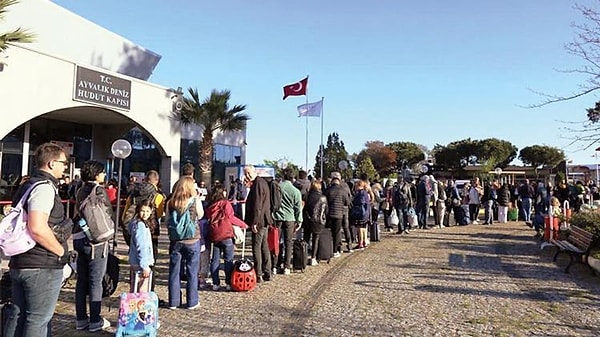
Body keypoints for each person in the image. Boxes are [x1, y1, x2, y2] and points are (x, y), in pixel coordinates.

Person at [4, 142, 71, 337]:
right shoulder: (44, 188)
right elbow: (37, 227)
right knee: (38, 320)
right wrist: (60, 252)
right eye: (63, 163)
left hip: (22, 260)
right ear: (51, 164)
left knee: (17, 316)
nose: (65, 167)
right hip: (42, 264)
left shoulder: (27, 185)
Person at [73, 160, 112, 332]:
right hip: (97, 242)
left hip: (79, 236)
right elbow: (108, 212)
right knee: (96, 281)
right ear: (96, 174)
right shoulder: (98, 191)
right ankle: (95, 320)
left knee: (81, 281)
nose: (104, 175)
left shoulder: (79, 189)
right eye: (102, 172)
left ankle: (81, 319)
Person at [166, 176, 203, 309]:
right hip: (192, 240)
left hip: (176, 241)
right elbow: (201, 215)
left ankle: (173, 301)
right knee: (192, 271)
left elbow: (167, 220)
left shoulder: (170, 202)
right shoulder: (194, 201)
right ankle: (192, 301)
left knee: (174, 271)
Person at [206, 186, 247, 290]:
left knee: (215, 260)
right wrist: (243, 224)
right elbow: (231, 218)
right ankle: (228, 283)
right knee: (228, 260)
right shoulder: (225, 204)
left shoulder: (210, 207)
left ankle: (216, 283)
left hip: (215, 236)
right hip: (226, 235)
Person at [243, 165, 273, 283]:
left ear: (253, 172)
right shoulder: (259, 183)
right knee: (263, 245)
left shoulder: (258, 184)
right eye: (246, 173)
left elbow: (258, 205)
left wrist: (255, 222)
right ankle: (266, 271)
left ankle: (259, 272)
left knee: (257, 246)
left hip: (260, 220)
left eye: (249, 173)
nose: (247, 176)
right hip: (263, 219)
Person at [273, 168, 303, 275]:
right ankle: (287, 266)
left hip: (277, 217)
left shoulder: (277, 188)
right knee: (288, 242)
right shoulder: (295, 191)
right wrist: (299, 220)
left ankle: (275, 265)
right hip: (290, 218)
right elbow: (298, 207)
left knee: (276, 241)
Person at [128, 199, 155, 293]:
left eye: (147, 211)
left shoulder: (138, 224)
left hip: (135, 262)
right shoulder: (140, 226)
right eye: (142, 211)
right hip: (140, 263)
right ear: (138, 211)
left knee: (135, 288)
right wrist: (145, 266)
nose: (145, 214)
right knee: (141, 291)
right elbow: (141, 247)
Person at [324, 172, 351, 255]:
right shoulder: (343, 190)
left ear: (332, 181)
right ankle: (336, 250)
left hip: (329, 214)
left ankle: (328, 248)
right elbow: (347, 202)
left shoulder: (328, 190)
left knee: (328, 232)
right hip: (339, 214)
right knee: (337, 233)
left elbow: (324, 200)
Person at [303, 180, 328, 265]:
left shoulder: (306, 196)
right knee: (315, 239)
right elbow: (326, 210)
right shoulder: (323, 197)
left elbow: (304, 208)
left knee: (306, 239)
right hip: (319, 221)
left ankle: (304, 256)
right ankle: (313, 258)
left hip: (308, 220)